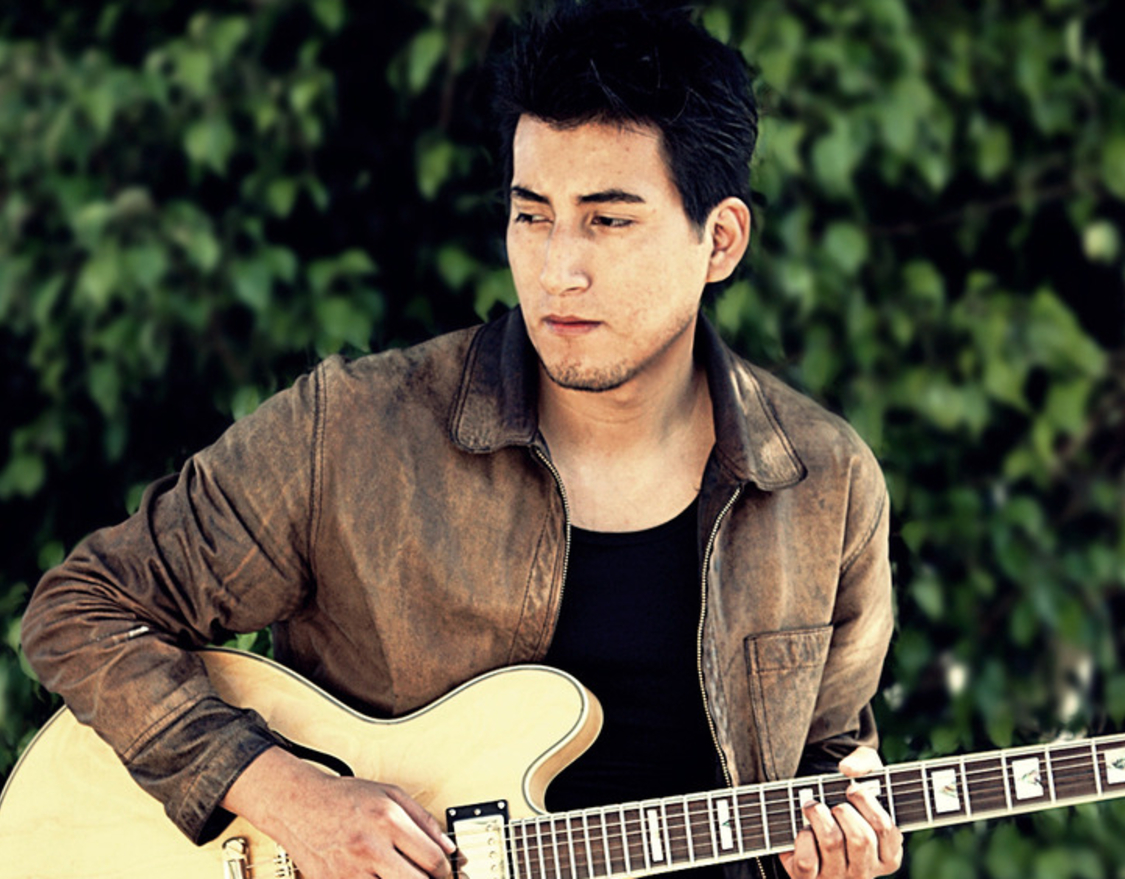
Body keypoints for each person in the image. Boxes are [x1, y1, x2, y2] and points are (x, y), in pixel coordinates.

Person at [20, 3, 902, 878]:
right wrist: (291, 797)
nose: (557, 269)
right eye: (532, 215)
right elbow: (84, 608)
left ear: (721, 240)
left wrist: (839, 858)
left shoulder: (824, 484)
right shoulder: (354, 431)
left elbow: (828, 762)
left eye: (607, 220)